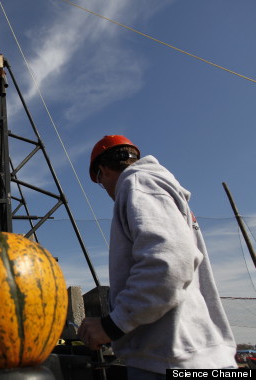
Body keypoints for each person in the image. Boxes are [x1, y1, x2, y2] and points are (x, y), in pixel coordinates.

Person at [78, 135, 237, 378]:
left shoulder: (139, 183)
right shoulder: (159, 188)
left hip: (172, 360)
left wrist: (112, 325)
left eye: (100, 182)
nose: (106, 191)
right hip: (192, 355)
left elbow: (168, 264)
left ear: (103, 171)